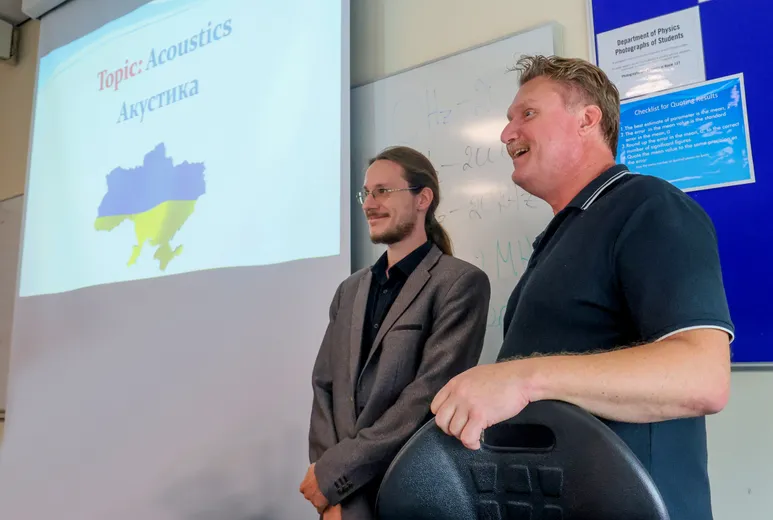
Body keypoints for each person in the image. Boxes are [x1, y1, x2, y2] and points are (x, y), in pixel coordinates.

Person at [431, 55, 734, 520]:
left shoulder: (648, 205)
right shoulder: (560, 235)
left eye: (527, 114)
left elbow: (703, 377)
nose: (506, 133)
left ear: (587, 119)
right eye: (509, 120)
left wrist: (522, 378)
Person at [300, 145, 491, 519]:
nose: (370, 203)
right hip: (340, 497)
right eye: (366, 193)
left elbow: (426, 399)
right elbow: (325, 386)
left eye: (383, 191)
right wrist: (332, 494)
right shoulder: (349, 290)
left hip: (410, 490)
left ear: (423, 198)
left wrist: (337, 474)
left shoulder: (460, 283)